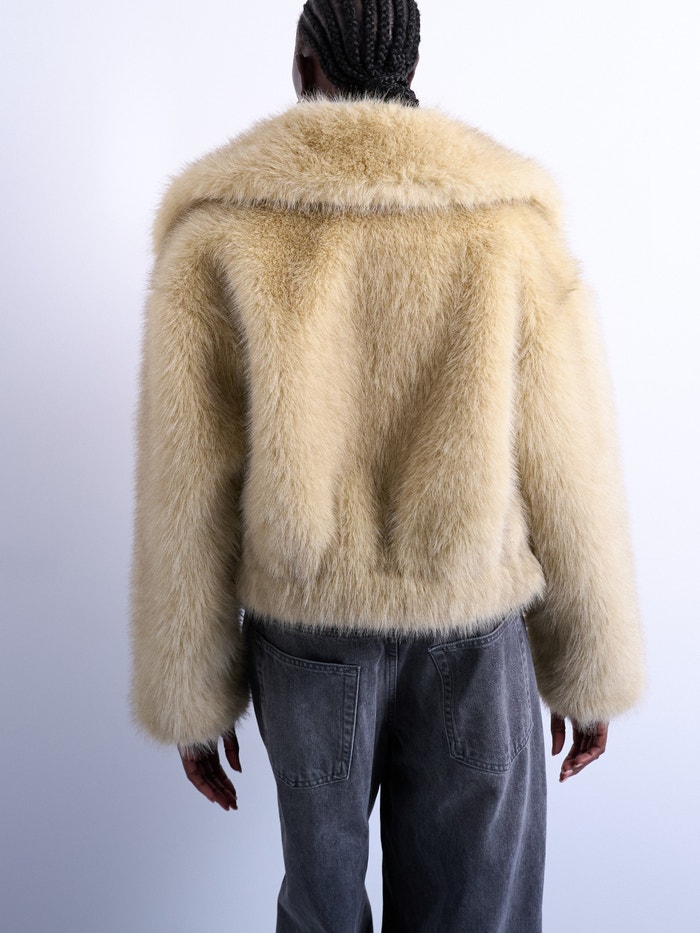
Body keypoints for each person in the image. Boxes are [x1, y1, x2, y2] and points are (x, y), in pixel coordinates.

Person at [130, 1, 644, 929]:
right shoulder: (508, 224)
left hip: (307, 640)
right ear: (411, 63)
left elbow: (187, 486)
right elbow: (570, 459)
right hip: (474, 634)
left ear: (304, 62)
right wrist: (587, 660)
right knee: (477, 912)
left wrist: (192, 693)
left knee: (321, 913)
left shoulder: (219, 233)